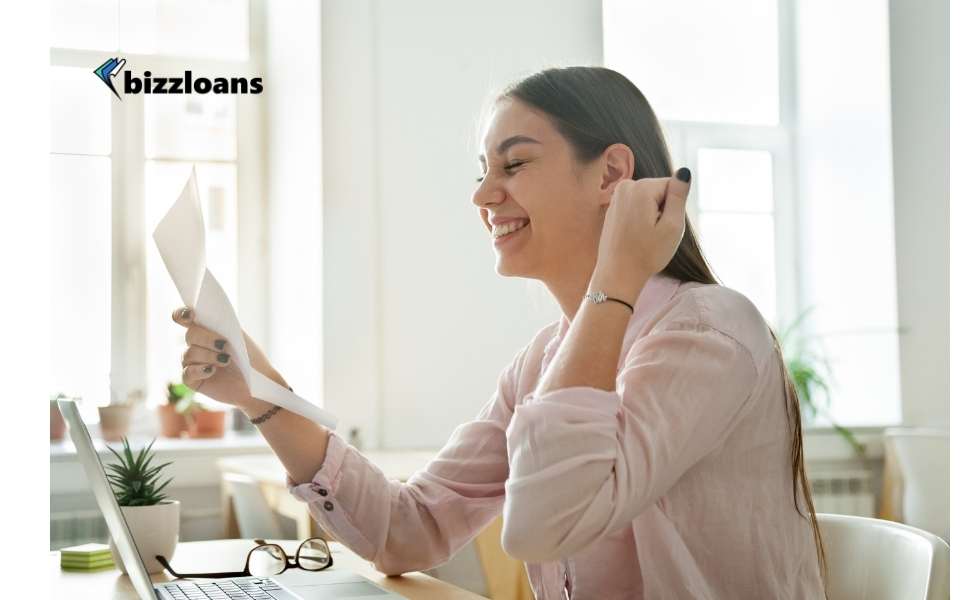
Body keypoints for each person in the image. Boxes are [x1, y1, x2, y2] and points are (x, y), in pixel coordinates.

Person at [172, 66, 828, 600]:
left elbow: (548, 524)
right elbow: (406, 531)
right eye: (481, 171)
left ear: (610, 175)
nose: (483, 195)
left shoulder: (709, 331)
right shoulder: (544, 361)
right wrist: (261, 391)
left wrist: (619, 274)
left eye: (512, 166)